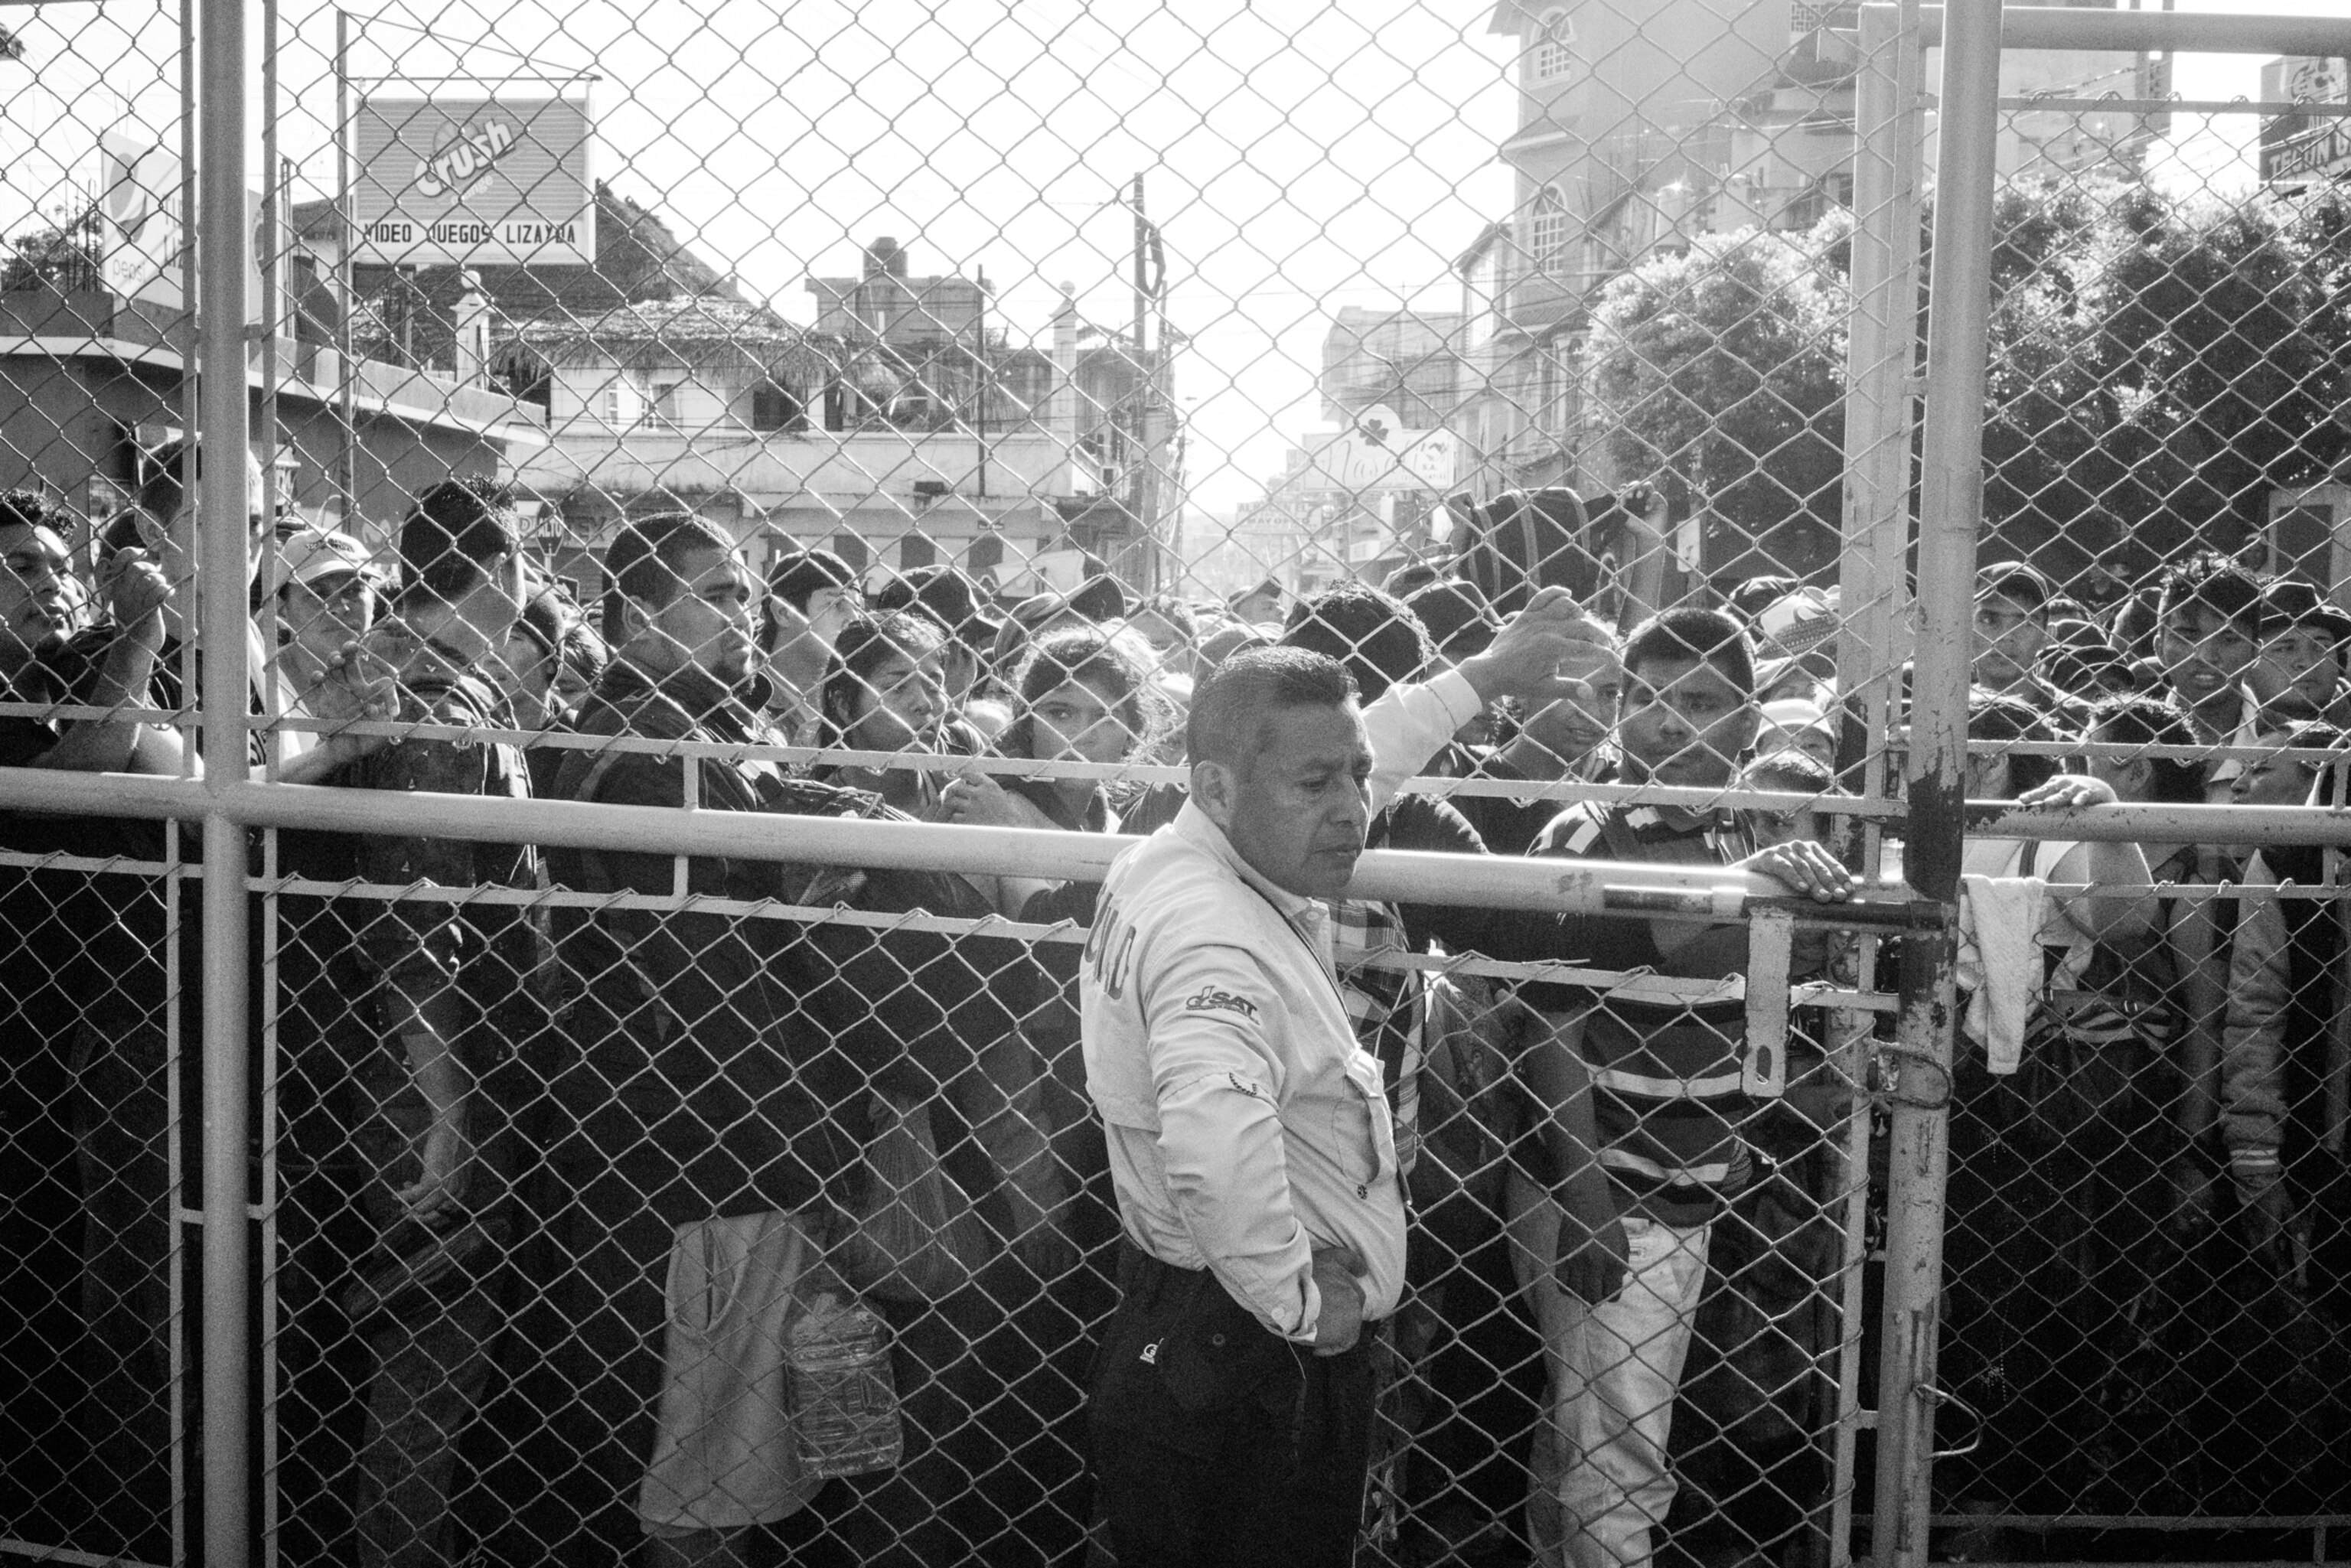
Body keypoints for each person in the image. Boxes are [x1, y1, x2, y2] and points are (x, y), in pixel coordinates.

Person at [538, 513, 1049, 1566]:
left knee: (724, 1449)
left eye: (746, 592)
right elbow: (703, 985)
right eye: (716, 593)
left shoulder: (687, 736)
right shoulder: (654, 755)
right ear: (637, 613)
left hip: (698, 1152)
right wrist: (809, 1131)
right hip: (710, 1161)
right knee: (710, 1474)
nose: (745, 616)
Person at [1079, 588, 1601, 1568]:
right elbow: (1213, 1146)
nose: (1354, 809)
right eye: (1319, 784)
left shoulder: (1192, 852)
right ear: (1219, 788)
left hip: (1202, 1322)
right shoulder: (1215, 937)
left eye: (1358, 779)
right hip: (1247, 1356)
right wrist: (1300, 1303)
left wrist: (1483, 678)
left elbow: (1355, 747)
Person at [1513, 607, 1857, 1568]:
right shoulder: (1591, 829)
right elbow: (1550, 1020)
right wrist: (1585, 1202)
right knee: (1620, 1457)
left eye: (1700, 702)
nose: (1669, 722)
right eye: (1649, 699)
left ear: (1749, 722)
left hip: (1690, 1177)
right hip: (1608, 1188)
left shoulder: (1738, 825)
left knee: (1592, 1433)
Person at [271, 566, 550, 1568]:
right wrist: (443, 1097)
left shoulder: (401, 688)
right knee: (424, 1354)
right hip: (420, 1071)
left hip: (387, 1059)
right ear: (502, 572)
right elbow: (411, 916)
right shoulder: (426, 702)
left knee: (394, 1354)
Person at [2149, 552, 2265, 800]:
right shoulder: (2124, 733)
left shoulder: (2286, 740)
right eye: (2188, 636)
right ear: (2159, 648)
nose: (2205, 655)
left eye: (2228, 638)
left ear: (2255, 652)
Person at [759, 546, 859, 743]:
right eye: (836, 605)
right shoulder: (748, 702)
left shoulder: (859, 702)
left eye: (858, 608)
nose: (854, 619)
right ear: (784, 613)